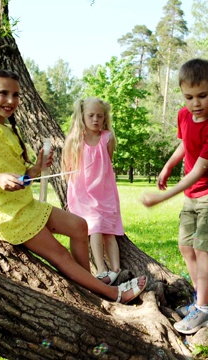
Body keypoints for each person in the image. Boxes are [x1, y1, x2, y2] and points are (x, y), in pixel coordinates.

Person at [0, 69, 146, 304]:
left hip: (24, 204)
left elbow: (22, 175)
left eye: (15, 95)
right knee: (61, 256)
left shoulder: (7, 130)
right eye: (3, 93)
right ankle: (111, 294)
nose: (11, 100)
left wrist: (35, 169)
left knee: (79, 226)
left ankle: (88, 284)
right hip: (6, 213)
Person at [141, 59, 208, 334]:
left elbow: (199, 172)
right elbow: (184, 144)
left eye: (202, 96)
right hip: (193, 194)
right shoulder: (184, 115)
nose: (195, 103)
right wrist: (168, 166)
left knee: (202, 249)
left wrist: (163, 197)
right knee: (185, 246)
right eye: (189, 97)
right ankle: (201, 301)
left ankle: (204, 310)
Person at [62, 97, 124, 286]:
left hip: (104, 192)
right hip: (83, 194)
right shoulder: (75, 140)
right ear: (82, 116)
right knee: (95, 225)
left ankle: (116, 271)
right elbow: (67, 167)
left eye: (100, 116)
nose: (96, 119)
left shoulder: (107, 138)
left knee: (109, 232)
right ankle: (101, 270)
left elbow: (108, 162)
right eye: (91, 115)